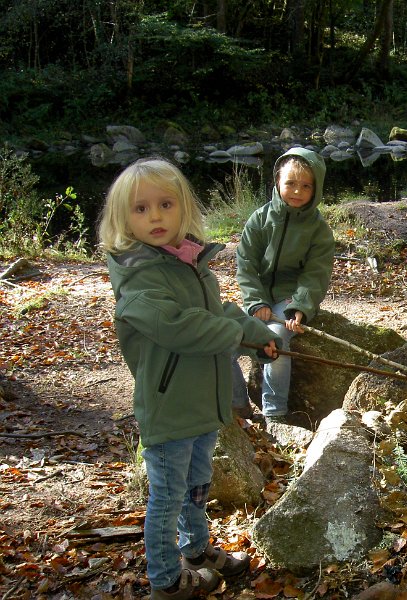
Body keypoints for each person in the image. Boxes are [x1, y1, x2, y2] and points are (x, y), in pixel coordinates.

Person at [98, 157, 280, 600]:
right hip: (169, 407)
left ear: (184, 209)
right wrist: (236, 333)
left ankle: (196, 551)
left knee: (197, 485)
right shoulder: (139, 279)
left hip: (200, 402)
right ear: (123, 218)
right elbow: (181, 326)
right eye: (141, 210)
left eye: (165, 204)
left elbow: (219, 312)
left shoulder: (187, 261)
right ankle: (165, 579)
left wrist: (257, 336)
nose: (155, 216)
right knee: (166, 497)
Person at [235, 148, 334, 421]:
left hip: (290, 297)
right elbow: (246, 264)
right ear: (278, 181)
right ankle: (238, 406)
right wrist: (256, 301)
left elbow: (316, 273)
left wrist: (300, 307)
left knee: (275, 339)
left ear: (316, 189)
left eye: (305, 186)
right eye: (290, 183)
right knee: (227, 338)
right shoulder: (259, 219)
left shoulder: (318, 229)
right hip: (260, 296)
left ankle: (274, 414)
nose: (297, 191)